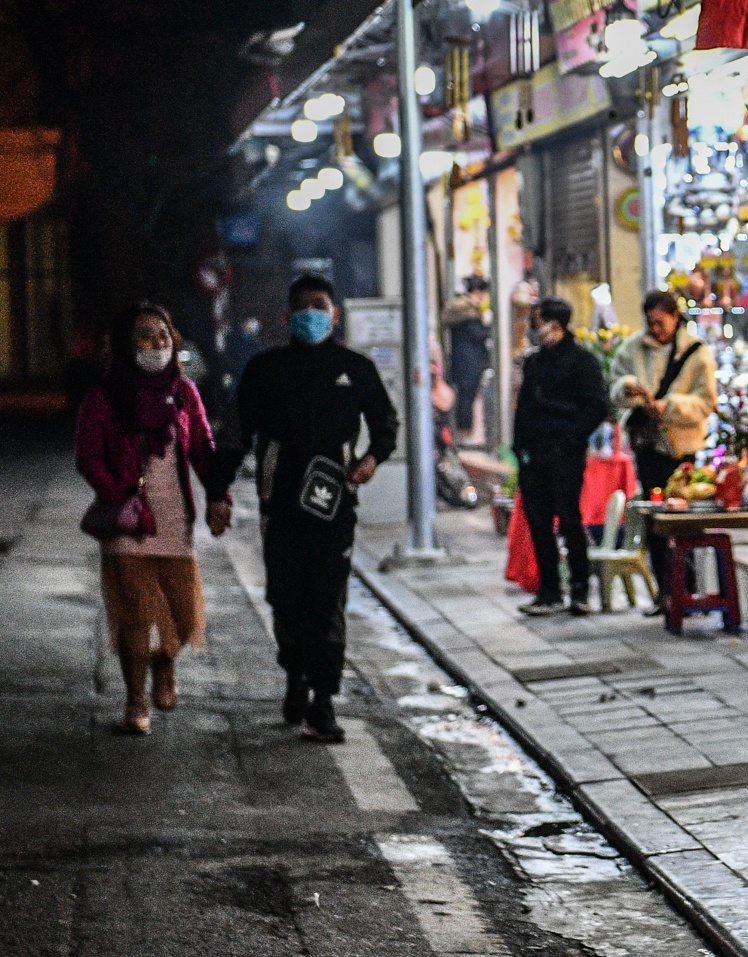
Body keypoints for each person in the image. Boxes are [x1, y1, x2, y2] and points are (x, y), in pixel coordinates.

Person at [208, 275, 397, 743]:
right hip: (280, 508)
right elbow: (234, 435)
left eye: (319, 304)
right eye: (300, 306)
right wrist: (217, 491)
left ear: (335, 313)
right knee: (287, 597)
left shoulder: (356, 369)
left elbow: (385, 423)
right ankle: (295, 675)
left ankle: (324, 701)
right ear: (288, 315)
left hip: (335, 509)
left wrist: (371, 459)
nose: (310, 312)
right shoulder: (265, 370)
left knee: (327, 600)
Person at [75, 302, 230, 735]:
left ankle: (165, 663)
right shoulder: (103, 397)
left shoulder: (184, 393)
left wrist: (219, 495)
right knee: (134, 616)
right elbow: (87, 457)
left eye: (163, 334)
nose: (158, 343)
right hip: (128, 519)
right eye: (145, 335)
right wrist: (116, 495)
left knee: (182, 617)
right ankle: (135, 699)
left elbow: (203, 449)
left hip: (175, 518)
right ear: (126, 344)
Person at [609, 289, 718, 606]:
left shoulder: (697, 353)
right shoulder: (632, 348)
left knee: (685, 520)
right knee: (656, 519)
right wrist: (627, 389)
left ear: (675, 318)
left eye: (661, 322)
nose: (656, 329)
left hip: (682, 449)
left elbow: (706, 402)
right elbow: (614, 386)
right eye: (650, 323)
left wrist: (668, 407)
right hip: (648, 446)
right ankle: (665, 594)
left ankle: (690, 589)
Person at [513, 296, 608, 617]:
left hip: (564, 455)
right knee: (539, 524)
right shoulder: (534, 363)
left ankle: (579, 591)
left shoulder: (583, 362)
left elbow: (596, 406)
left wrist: (570, 438)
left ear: (556, 325)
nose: (531, 329)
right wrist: (519, 447)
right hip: (533, 455)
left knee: (569, 521)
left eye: (536, 323)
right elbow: (524, 408)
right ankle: (549, 590)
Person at [444, 276, 491, 444]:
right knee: (467, 398)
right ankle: (464, 434)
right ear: (477, 292)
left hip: (463, 361)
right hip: (469, 363)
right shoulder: (469, 312)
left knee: (465, 397)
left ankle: (463, 432)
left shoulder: (461, 311)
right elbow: (478, 335)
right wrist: (488, 326)